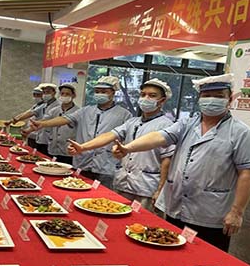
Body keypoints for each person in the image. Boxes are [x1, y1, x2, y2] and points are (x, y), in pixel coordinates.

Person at [111, 73, 250, 251]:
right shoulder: (187, 124)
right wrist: (128, 148)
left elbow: (247, 174)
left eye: (219, 96)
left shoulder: (242, 133)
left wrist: (237, 211)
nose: (211, 100)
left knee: (205, 258)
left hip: (210, 212)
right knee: (171, 250)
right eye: (206, 95)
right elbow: (159, 137)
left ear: (230, 100)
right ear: (199, 99)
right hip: (176, 206)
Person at [68, 79, 175, 211]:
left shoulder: (167, 125)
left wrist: (160, 190)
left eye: (152, 96)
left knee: (141, 221)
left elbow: (167, 160)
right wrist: (83, 147)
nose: (145, 99)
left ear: (162, 101)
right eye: (143, 95)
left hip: (146, 187)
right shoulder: (133, 122)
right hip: (123, 183)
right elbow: (109, 135)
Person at [31, 76, 132, 188]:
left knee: (102, 195)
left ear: (113, 93)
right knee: (77, 188)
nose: (99, 94)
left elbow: (127, 140)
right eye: (97, 91)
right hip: (83, 162)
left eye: (104, 92)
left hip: (106, 165)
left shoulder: (124, 115)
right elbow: (65, 119)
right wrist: (43, 124)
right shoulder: (85, 111)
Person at [47, 83, 79, 164]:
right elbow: (44, 122)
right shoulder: (54, 111)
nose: (64, 96)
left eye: (67, 94)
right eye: (62, 93)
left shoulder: (78, 112)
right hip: (53, 149)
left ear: (73, 95)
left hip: (68, 151)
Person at [29, 83, 59, 155]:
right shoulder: (44, 105)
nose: (46, 94)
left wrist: (28, 130)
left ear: (54, 92)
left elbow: (46, 120)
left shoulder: (57, 106)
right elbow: (30, 112)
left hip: (49, 138)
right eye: (44, 92)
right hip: (40, 135)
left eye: (48, 92)